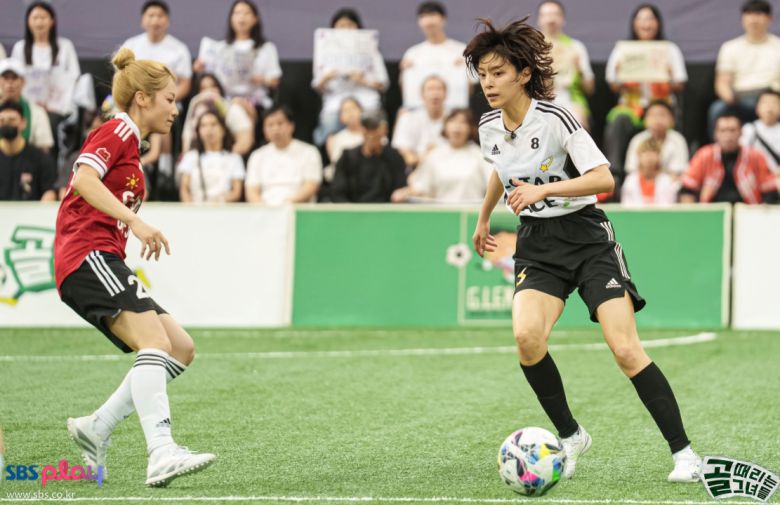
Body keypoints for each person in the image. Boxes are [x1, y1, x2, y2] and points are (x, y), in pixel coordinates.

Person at [465, 17, 701, 482]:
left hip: (587, 239)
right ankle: (571, 436)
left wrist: (541, 192)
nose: (488, 83)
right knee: (527, 339)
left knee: (625, 348)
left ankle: (685, 454)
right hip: (537, 243)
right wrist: (483, 216)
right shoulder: (489, 124)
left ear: (523, 74)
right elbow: (501, 167)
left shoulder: (557, 118)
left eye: (497, 73)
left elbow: (604, 178)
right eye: (483, 74)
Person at [56, 48, 216, 487]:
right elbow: (82, 179)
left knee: (179, 347)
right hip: (85, 255)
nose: (175, 108)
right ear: (142, 99)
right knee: (153, 340)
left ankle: (97, 427)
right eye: (169, 98)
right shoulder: (117, 130)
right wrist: (136, 222)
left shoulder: (131, 143)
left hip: (101, 257)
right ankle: (161, 452)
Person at [604, 4, 686, 183]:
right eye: (641, 19)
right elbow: (613, 85)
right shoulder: (623, 50)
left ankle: (671, 176)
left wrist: (669, 75)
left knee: (668, 120)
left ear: (658, 23)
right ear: (634, 23)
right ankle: (615, 176)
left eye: (650, 19)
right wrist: (620, 74)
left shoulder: (669, 49)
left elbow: (680, 84)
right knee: (618, 121)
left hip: (660, 105)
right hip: (631, 106)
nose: (646, 24)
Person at [194, 0, 281, 122]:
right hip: (223, 100)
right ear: (231, 18)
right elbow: (210, 75)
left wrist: (261, 79)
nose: (242, 17)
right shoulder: (221, 47)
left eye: (246, 13)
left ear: (255, 18)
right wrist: (200, 68)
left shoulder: (266, 48)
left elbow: (274, 80)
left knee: (238, 107)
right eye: (237, 13)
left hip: (255, 102)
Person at [312, 8, 389, 146]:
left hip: (366, 101)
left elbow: (383, 83)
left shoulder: (371, 50)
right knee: (329, 122)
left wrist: (363, 80)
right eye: (341, 26)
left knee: (374, 119)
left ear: (358, 27)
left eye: (350, 25)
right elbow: (317, 85)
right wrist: (327, 77)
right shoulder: (324, 50)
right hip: (335, 103)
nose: (346, 29)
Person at [709, 0, 780, 137]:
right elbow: (722, 82)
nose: (754, 20)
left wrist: (772, 99)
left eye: (759, 14)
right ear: (743, 19)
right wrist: (731, 99)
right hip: (740, 98)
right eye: (749, 15)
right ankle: (718, 154)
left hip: (772, 96)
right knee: (717, 109)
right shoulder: (730, 47)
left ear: (769, 19)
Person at [680, 112, 778, 204]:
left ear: (741, 132)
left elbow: (769, 190)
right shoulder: (704, 155)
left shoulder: (755, 156)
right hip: (713, 211)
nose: (728, 135)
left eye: (732, 130)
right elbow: (687, 189)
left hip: (747, 210)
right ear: (715, 134)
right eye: (723, 130)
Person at [10, 1, 81, 117]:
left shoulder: (65, 46)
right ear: (28, 21)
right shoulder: (20, 48)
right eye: (35, 18)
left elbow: (74, 77)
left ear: (52, 21)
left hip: (57, 108)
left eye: (43, 17)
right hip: (27, 107)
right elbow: (16, 78)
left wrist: (56, 103)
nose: (39, 22)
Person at [406, 109, 491, 203]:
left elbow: (493, 186)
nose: (457, 127)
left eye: (463, 122)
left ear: (470, 128)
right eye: (453, 121)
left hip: (473, 212)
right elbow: (421, 188)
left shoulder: (480, 155)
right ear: (445, 127)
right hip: (441, 213)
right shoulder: (434, 155)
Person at [399, 1, 472, 110]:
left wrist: (465, 68)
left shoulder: (461, 50)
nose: (428, 21)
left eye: (432, 15)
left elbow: (470, 86)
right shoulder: (412, 53)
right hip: (420, 113)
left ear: (443, 19)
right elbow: (405, 87)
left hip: (453, 113)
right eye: (424, 16)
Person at [245, 105, 322, 205]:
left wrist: (288, 204)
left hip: (298, 209)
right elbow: (252, 190)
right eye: (270, 125)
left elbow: (311, 185)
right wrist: (263, 209)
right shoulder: (257, 156)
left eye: (280, 123)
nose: (275, 129)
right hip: (265, 210)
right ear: (264, 129)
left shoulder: (309, 152)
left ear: (291, 126)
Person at [536, 0, 595, 129]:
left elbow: (589, 89)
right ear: (539, 20)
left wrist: (579, 70)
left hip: (571, 101)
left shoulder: (576, 47)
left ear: (563, 19)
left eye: (555, 14)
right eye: (546, 15)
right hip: (539, 102)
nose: (551, 19)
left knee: (578, 126)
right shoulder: (532, 48)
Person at [120, 1, 193, 103]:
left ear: (167, 21)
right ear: (142, 20)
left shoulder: (180, 49)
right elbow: (120, 78)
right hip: (135, 104)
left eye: (160, 16)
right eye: (151, 15)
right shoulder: (130, 46)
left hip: (168, 106)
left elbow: (184, 85)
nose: (155, 21)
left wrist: (164, 102)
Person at [330, 117, 406, 203]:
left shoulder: (394, 157)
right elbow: (338, 192)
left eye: (375, 129)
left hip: (386, 211)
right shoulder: (347, 158)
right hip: (353, 211)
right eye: (368, 129)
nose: (371, 134)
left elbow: (400, 189)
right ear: (362, 131)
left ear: (384, 131)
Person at [178, 108, 244, 203]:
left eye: (213, 124)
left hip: (223, 210)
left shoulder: (234, 158)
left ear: (223, 129)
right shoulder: (190, 157)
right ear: (198, 131)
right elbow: (184, 189)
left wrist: (217, 202)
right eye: (203, 125)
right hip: (195, 210)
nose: (208, 130)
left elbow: (236, 192)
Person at [181, 73, 254, 156]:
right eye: (203, 88)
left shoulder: (232, 109)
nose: (209, 91)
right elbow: (186, 145)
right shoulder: (194, 109)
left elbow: (245, 141)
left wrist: (223, 158)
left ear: (220, 88)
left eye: (213, 86)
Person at [0, 100, 56, 201]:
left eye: (12, 120)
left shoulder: (41, 159)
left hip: (30, 215)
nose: (6, 124)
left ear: (23, 123)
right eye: (2, 120)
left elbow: (49, 192)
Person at [391, 75, 448, 168]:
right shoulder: (408, 118)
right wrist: (424, 157)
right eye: (430, 89)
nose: (435, 93)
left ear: (445, 94)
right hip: (416, 169)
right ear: (422, 95)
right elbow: (404, 154)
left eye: (439, 89)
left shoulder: (453, 119)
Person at [0, 58, 54, 153]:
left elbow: (44, 150)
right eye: (6, 78)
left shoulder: (37, 112)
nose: (10, 84)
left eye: (14, 78)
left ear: (23, 81)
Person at [624, 100, 689, 176]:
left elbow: (679, 171)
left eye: (662, 115)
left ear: (672, 119)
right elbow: (631, 169)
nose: (657, 119)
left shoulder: (678, 140)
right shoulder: (637, 139)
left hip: (670, 184)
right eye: (653, 115)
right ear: (645, 120)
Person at [621, 138, 679, 206]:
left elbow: (669, 207)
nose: (649, 157)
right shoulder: (630, 180)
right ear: (639, 156)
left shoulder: (667, 181)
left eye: (653, 152)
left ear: (659, 156)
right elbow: (626, 207)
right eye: (645, 152)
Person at [324, 97, 364, 182]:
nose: (350, 113)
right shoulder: (336, 139)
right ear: (340, 117)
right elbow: (337, 163)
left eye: (353, 108)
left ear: (361, 111)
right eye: (345, 110)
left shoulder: (373, 134)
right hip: (346, 179)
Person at [740, 89, 780, 175]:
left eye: (774, 103)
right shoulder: (749, 129)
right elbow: (741, 156)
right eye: (765, 103)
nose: (769, 107)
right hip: (756, 175)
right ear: (757, 108)